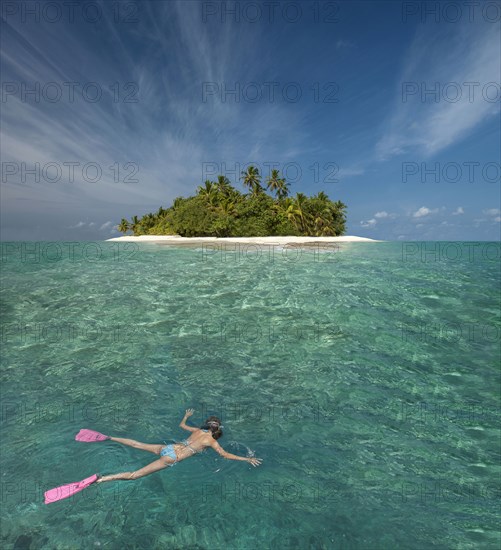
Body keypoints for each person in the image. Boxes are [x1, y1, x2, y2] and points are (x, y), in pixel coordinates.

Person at [96, 409, 262, 483]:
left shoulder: (198, 430)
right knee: (134, 475)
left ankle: (108, 437)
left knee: (137, 444)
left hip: (168, 447)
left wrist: (186, 416)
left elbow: (182, 426)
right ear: (218, 430)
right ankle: (102, 479)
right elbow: (225, 454)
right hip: (172, 457)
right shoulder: (212, 441)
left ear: (207, 425)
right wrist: (246, 459)